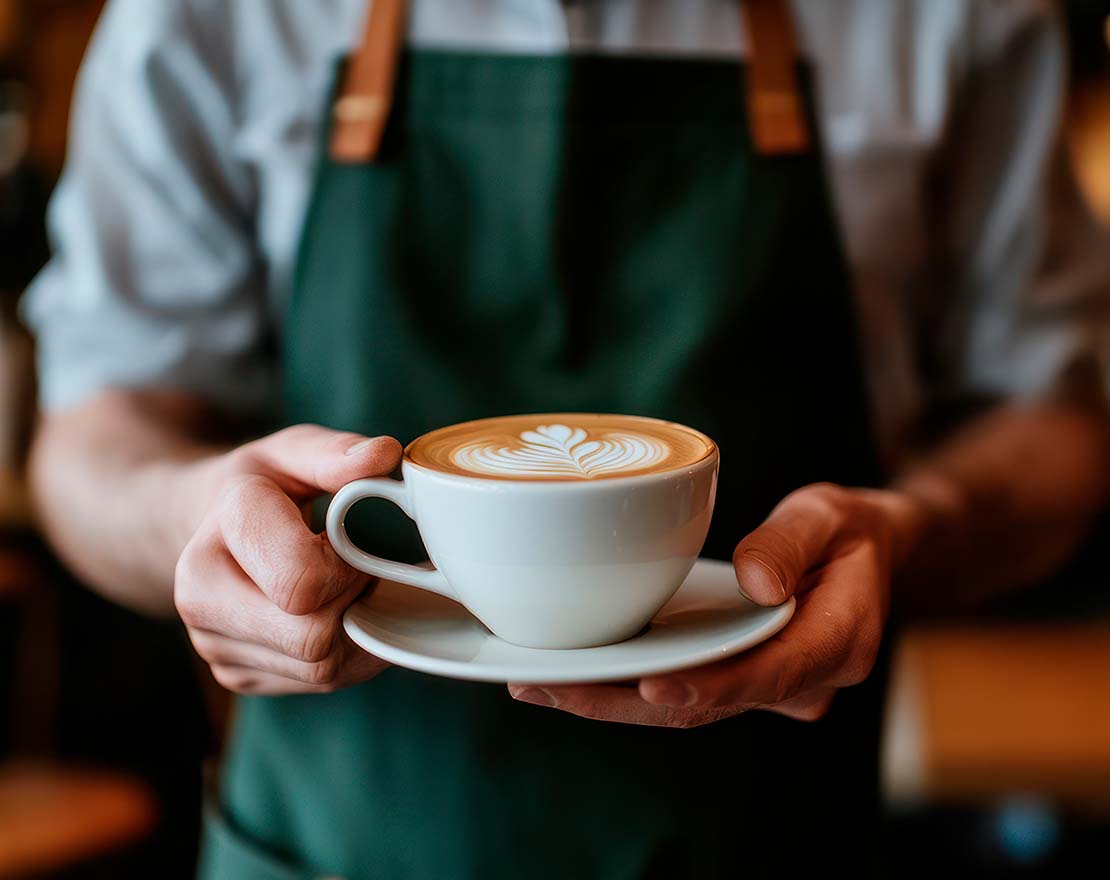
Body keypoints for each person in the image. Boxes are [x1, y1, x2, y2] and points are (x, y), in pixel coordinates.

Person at [22, 0, 1110, 877]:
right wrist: (190, 512)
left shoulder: (958, 16)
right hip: (334, 845)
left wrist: (921, 528)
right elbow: (90, 441)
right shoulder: (203, 19)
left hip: (778, 838)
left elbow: (1056, 425)